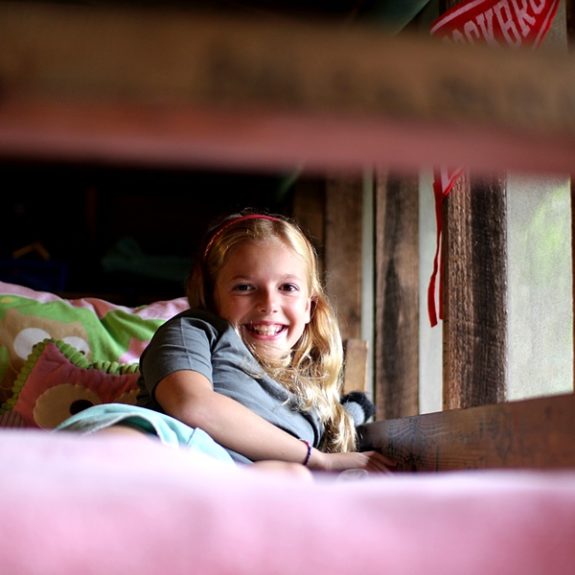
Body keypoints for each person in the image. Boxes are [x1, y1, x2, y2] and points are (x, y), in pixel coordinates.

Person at [57, 210, 392, 477]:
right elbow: (192, 405)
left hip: (233, 482)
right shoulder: (197, 331)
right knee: (123, 444)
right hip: (173, 448)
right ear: (211, 297)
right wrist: (315, 458)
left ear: (309, 306)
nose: (268, 303)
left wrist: (348, 417)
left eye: (287, 287)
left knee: (293, 479)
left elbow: (344, 426)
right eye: (244, 287)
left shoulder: (314, 397)